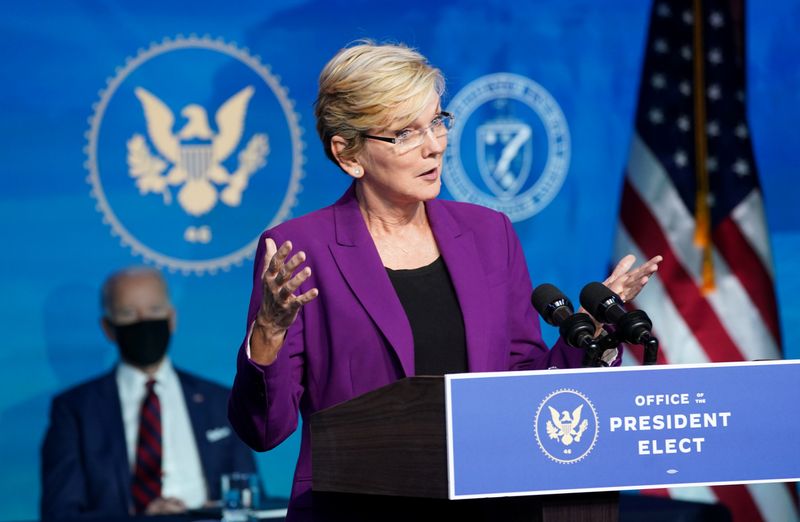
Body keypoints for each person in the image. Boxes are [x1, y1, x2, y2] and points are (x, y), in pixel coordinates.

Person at [227, 41, 661, 521]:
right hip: (356, 508)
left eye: (436, 121)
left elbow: (523, 387)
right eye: (405, 133)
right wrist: (268, 330)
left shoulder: (488, 234)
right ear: (349, 154)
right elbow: (264, 430)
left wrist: (590, 334)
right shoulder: (299, 250)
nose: (434, 145)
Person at [41, 267, 258, 520]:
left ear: (172, 318)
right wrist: (143, 520)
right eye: (128, 313)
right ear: (108, 328)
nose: (144, 322)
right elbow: (60, 513)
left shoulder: (220, 401)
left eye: (155, 311)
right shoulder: (75, 410)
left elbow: (249, 498)